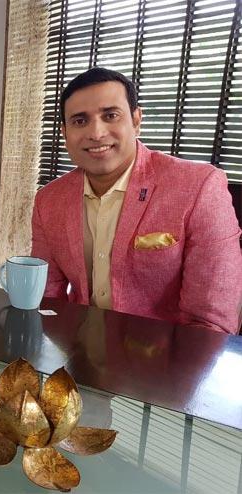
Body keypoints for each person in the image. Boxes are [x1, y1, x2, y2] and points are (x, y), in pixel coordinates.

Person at [31, 67, 242, 334]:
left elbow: (211, 323)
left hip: (165, 354)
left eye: (110, 115)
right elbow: (46, 297)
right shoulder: (49, 200)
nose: (96, 133)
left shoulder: (198, 187)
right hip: (80, 347)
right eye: (80, 121)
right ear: (64, 133)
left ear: (136, 120)